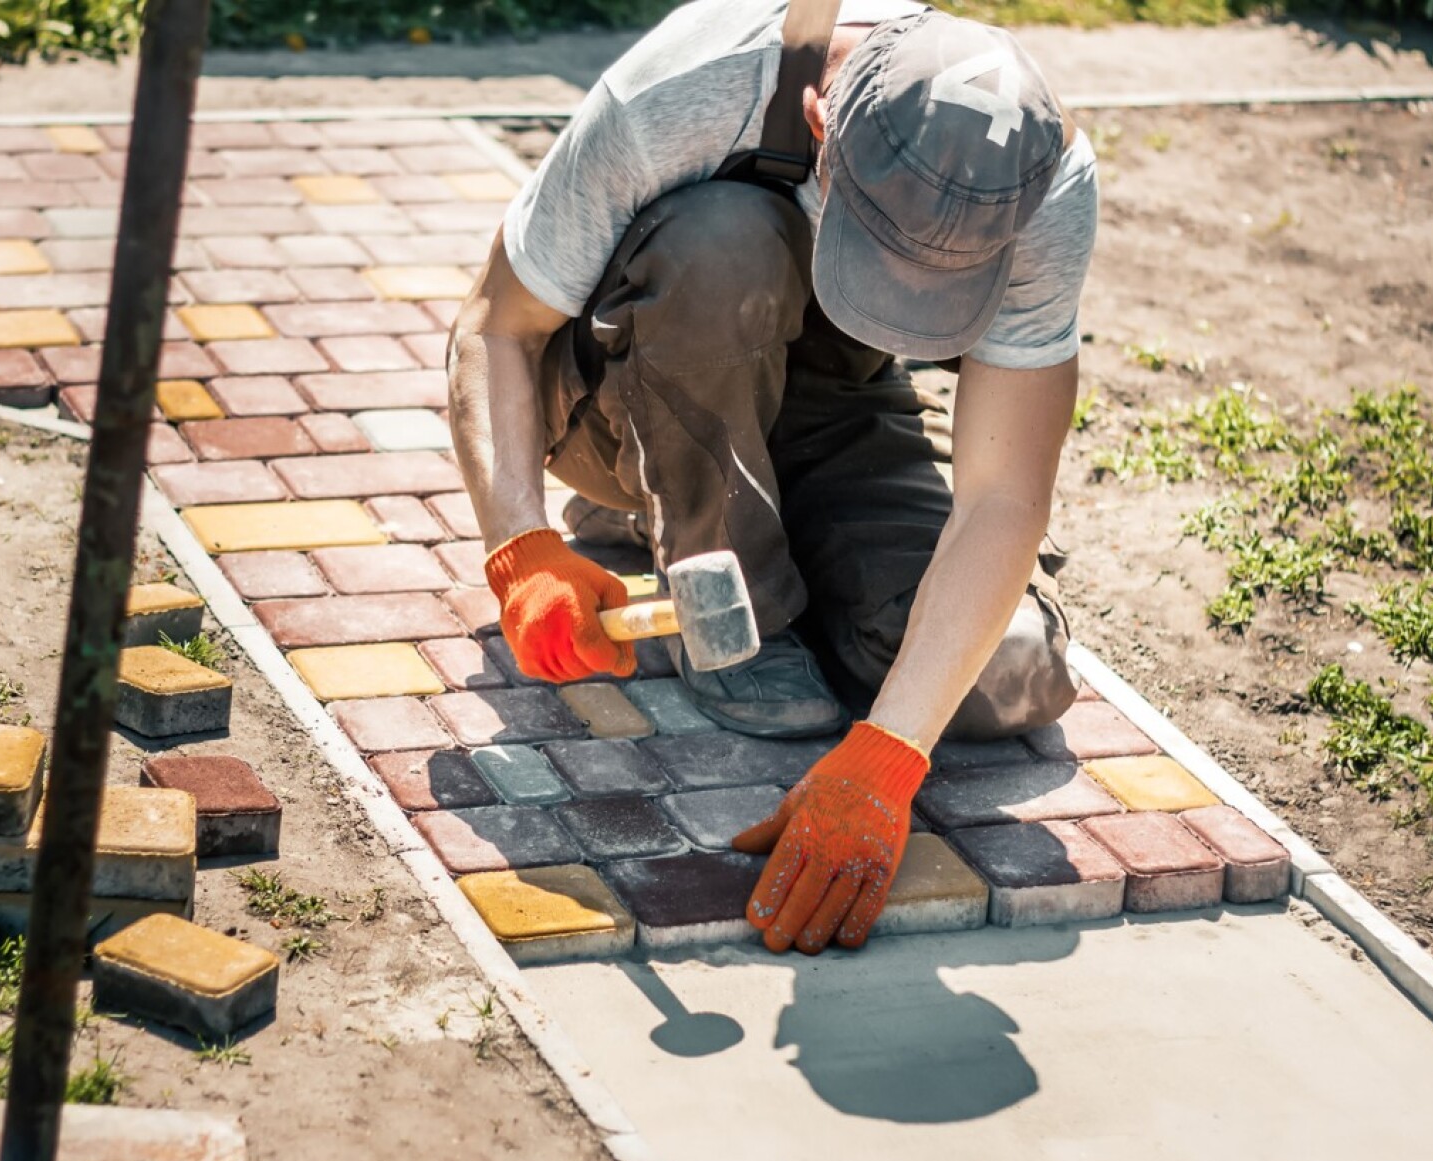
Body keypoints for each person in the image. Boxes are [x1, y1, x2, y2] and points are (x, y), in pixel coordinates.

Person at [446, 0, 1098, 955]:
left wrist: (886, 755)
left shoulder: (1037, 182)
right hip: (637, 390)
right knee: (726, 237)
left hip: (832, 400)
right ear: (823, 126)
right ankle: (681, 529)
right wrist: (520, 545)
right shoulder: (686, 90)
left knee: (1010, 675)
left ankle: (764, 527)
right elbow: (493, 329)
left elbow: (1002, 498)